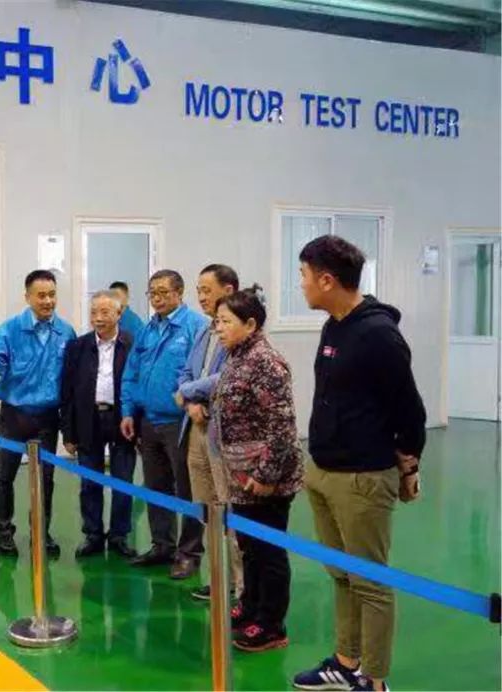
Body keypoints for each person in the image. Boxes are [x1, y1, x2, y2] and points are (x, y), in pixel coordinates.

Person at [293, 236, 425, 692]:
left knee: (370, 582)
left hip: (362, 478)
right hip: (324, 469)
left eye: (304, 276)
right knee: (341, 574)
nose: (301, 284)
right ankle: (347, 662)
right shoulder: (334, 326)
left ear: (327, 280)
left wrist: (409, 467)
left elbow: (410, 412)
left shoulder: (379, 335)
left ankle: (375, 679)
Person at [210, 287, 303, 652]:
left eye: (225, 322)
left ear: (250, 324)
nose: (218, 328)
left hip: (266, 479)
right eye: (217, 322)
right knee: (249, 547)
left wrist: (265, 476)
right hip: (241, 475)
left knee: (269, 551)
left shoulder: (266, 362)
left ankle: (271, 624)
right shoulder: (237, 355)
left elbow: (282, 427)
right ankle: (250, 606)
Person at [0, 269, 77, 557]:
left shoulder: (65, 332)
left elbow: (72, 377)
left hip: (48, 417)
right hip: (14, 415)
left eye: (52, 295)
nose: (48, 301)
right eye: (41, 295)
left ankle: (41, 532)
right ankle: (4, 532)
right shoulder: (11, 329)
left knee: (45, 479)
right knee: (4, 475)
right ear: (28, 297)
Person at [120, 269, 209, 578]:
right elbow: (131, 372)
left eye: (163, 292)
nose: (156, 299)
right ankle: (162, 545)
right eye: (152, 293)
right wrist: (128, 411)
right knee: (155, 486)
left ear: (179, 293)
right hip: (148, 421)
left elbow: (201, 375)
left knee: (187, 490)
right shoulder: (148, 329)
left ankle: (189, 553)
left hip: (181, 423)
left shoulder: (196, 327)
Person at [174, 264, 244, 602]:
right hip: (195, 428)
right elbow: (186, 370)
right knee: (207, 510)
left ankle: (240, 587)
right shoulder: (205, 330)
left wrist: (188, 391)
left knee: (230, 511)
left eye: (206, 289)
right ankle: (219, 579)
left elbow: (227, 377)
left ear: (228, 290)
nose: (200, 296)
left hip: (222, 433)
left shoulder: (241, 331)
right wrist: (190, 403)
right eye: (198, 290)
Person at [61, 291, 137, 560]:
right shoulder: (77, 347)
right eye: (94, 312)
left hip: (121, 419)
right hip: (88, 418)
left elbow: (137, 385)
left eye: (105, 312)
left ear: (119, 314)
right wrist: (68, 432)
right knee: (89, 481)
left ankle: (119, 535)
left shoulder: (132, 344)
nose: (98, 318)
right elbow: (67, 392)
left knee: (123, 481)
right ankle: (93, 534)